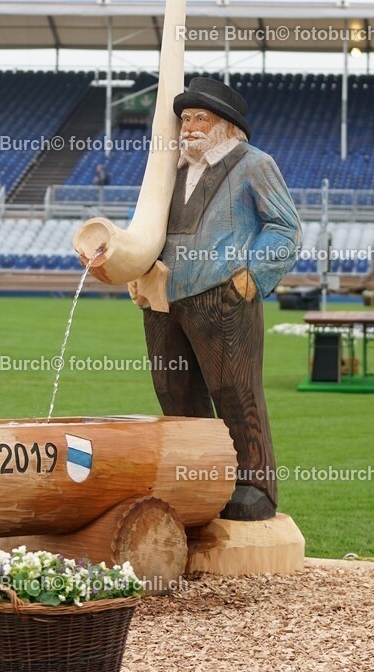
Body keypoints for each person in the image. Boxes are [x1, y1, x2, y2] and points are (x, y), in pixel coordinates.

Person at [135, 77, 302, 522]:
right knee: (174, 390)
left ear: (226, 125)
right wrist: (133, 268)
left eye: (199, 118)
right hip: (163, 298)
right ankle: (198, 478)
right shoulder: (167, 172)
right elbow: (148, 228)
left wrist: (252, 275)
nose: (188, 126)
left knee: (234, 390)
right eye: (185, 118)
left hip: (223, 296)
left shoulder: (254, 164)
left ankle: (254, 485)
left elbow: (285, 227)